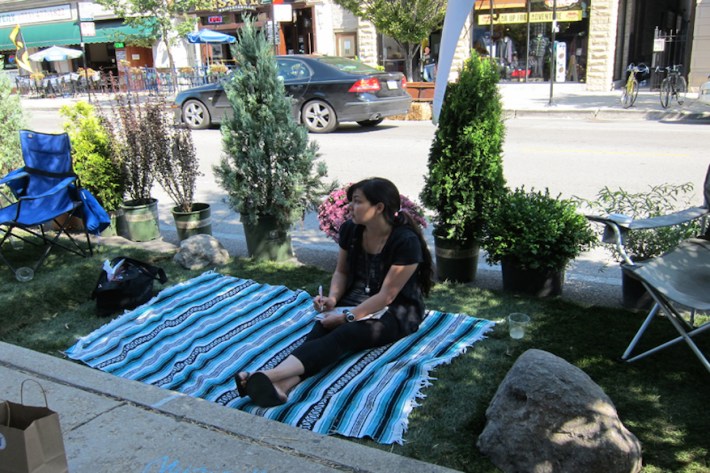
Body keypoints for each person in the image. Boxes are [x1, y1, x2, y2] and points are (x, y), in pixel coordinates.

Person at [235, 177, 434, 407]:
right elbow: (341, 272)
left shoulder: (405, 241)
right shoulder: (351, 230)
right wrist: (332, 299)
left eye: (357, 202)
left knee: (345, 333)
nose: (349, 207)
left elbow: (387, 296)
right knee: (321, 327)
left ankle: (268, 376)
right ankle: (282, 386)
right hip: (356, 299)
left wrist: (347, 317)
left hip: (396, 311)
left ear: (379, 208)